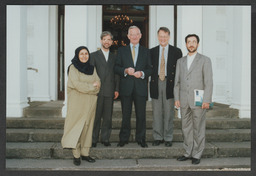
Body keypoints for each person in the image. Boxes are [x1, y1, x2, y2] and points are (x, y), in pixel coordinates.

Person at [174, 34, 213, 165]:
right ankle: (187, 152)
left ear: (197, 44)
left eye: (194, 42)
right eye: (189, 42)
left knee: (198, 128)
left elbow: (208, 82)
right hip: (184, 100)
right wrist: (176, 98)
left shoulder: (205, 60)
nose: (191, 44)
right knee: (186, 128)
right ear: (185, 44)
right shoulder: (180, 61)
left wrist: (206, 100)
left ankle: (197, 153)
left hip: (199, 100)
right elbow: (177, 82)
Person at [61, 46, 101, 166]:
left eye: (86, 53)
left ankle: (85, 153)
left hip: (90, 104)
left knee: (87, 129)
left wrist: (92, 87)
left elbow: (98, 83)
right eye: (81, 54)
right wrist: (91, 87)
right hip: (77, 104)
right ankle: (76, 155)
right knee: (76, 128)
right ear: (77, 55)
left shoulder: (92, 68)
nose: (84, 56)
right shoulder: (72, 68)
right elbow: (77, 85)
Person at [114, 25, 152, 148]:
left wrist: (142, 74)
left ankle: (141, 139)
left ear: (140, 36)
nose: (134, 36)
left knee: (141, 115)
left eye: (136, 34)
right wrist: (125, 70)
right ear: (128, 36)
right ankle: (123, 138)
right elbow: (116, 67)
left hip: (140, 88)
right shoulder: (121, 50)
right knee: (126, 115)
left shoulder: (146, 51)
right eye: (132, 34)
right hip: (126, 88)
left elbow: (150, 69)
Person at [150, 27, 182, 147]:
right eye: (160, 36)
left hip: (170, 83)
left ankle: (168, 137)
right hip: (156, 82)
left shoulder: (176, 51)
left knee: (169, 112)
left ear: (169, 37)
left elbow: (180, 71)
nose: (162, 39)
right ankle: (158, 137)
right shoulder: (152, 51)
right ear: (158, 37)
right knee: (157, 112)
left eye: (165, 36)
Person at [90, 31, 119, 147]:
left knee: (108, 117)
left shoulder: (114, 57)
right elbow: (91, 73)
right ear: (101, 41)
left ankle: (105, 138)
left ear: (112, 42)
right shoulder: (93, 56)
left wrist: (117, 89)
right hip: (97, 91)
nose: (107, 42)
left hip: (110, 90)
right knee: (96, 117)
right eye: (104, 39)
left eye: (109, 40)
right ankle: (93, 139)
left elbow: (116, 74)